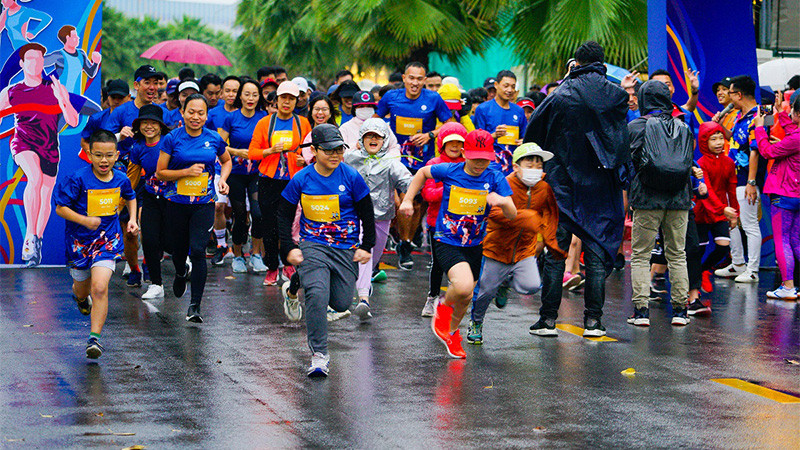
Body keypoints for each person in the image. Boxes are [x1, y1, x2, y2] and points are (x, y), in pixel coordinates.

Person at [524, 41, 629, 336]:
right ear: (602, 64)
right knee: (595, 251)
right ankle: (593, 321)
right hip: (601, 184)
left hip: (563, 184)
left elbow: (534, 129)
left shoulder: (563, 93)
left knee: (557, 252)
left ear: (577, 62)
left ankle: (547, 320)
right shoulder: (617, 96)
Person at [400, 129, 516, 359]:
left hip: (474, 244)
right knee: (462, 287)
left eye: (485, 159)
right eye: (475, 158)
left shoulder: (494, 177)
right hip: (446, 239)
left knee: (465, 296)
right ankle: (442, 306)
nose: (480, 164)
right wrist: (407, 199)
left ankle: (452, 333)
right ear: (464, 153)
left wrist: (502, 201)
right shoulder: (450, 170)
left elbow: (512, 214)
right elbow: (422, 173)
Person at [278, 124, 375, 377]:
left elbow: (366, 212)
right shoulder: (301, 178)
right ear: (314, 150)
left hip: (345, 248)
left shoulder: (351, 176)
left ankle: (297, 281)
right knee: (317, 295)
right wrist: (288, 247)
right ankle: (319, 355)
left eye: (339, 150)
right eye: (329, 150)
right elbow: (283, 215)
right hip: (313, 245)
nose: (335, 155)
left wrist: (367, 246)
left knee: (342, 302)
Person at [468, 143, 565, 342]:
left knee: (532, 286)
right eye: (530, 164)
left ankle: (505, 282)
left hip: (524, 250)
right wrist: (525, 217)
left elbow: (550, 213)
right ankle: (476, 322)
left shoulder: (544, 188)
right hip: (497, 248)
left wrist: (548, 241)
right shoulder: (504, 183)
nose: (535, 169)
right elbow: (492, 213)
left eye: (539, 165)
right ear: (516, 166)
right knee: (485, 292)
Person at [54, 129, 138, 358]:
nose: (104, 160)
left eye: (109, 155)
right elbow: (60, 208)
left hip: (107, 241)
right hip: (79, 243)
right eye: (98, 155)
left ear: (117, 155)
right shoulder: (77, 179)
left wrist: (132, 219)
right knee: (82, 288)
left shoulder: (121, 178)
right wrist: (84, 220)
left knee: (100, 287)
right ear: (89, 154)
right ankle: (81, 298)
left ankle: (95, 339)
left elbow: (130, 196)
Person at [0, 42, 79, 267]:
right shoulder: (12, 91)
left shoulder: (53, 88)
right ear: (23, 63)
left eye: (39, 59)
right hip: (23, 143)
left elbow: (73, 120)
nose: (36, 63)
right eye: (31, 59)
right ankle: (29, 237)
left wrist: (63, 98)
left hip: (50, 146)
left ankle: (37, 238)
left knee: (45, 195)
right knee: (33, 178)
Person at [156, 94, 232, 323]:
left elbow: (226, 161)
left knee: (198, 251)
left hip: (203, 203)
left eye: (201, 113)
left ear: (207, 115)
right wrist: (185, 172)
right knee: (177, 251)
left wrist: (223, 179)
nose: (196, 117)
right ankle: (180, 271)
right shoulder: (172, 138)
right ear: (182, 113)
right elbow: (160, 172)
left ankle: (195, 306)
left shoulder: (213, 138)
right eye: (191, 112)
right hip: (176, 204)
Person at [626, 80, 694, 327]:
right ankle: (680, 311)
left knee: (641, 255)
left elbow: (629, 164)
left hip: (646, 200)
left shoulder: (635, 126)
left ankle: (641, 312)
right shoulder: (683, 126)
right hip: (679, 199)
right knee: (678, 254)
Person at [376, 62, 452, 270]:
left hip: (422, 161)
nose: (415, 83)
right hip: (395, 159)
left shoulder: (434, 99)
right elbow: (375, 121)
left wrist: (429, 135)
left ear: (425, 80)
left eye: (420, 79)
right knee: (401, 203)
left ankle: (406, 243)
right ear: (404, 78)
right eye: (412, 78)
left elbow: (449, 124)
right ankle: (403, 242)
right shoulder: (391, 98)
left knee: (418, 204)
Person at [344, 118, 412, 320]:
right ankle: (363, 298)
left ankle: (365, 284)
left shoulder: (391, 163)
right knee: (364, 252)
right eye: (368, 135)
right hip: (355, 217)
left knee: (372, 258)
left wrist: (408, 199)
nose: (373, 139)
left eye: (377, 136)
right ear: (361, 139)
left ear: (384, 140)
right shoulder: (349, 158)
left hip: (382, 218)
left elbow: (409, 182)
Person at [248, 81, 312, 285]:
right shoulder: (265, 123)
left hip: (293, 180)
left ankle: (289, 264)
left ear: (296, 101)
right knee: (269, 224)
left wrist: (304, 158)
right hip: (269, 180)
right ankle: (272, 268)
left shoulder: (302, 122)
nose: (287, 102)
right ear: (277, 100)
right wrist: (270, 150)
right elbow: (252, 152)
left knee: (291, 223)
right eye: (283, 98)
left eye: (291, 99)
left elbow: (308, 149)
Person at [715, 75, 764, 283]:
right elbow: (734, 139)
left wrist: (751, 183)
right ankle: (737, 264)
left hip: (746, 180)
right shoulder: (739, 116)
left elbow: (755, 151)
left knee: (750, 224)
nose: (728, 97)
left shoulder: (758, 116)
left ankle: (752, 269)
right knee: (731, 220)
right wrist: (719, 127)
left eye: (731, 93)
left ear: (739, 94)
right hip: (732, 178)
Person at [217, 78, 268, 273]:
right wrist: (238, 152)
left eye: (255, 95)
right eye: (247, 94)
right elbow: (220, 146)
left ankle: (256, 254)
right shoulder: (231, 118)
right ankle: (237, 255)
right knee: (240, 215)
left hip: (257, 172)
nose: (251, 98)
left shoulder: (264, 118)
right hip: (235, 173)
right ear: (240, 96)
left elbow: (267, 144)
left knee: (258, 213)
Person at [754, 97, 800, 299]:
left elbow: (766, 151)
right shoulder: (795, 136)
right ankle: (789, 286)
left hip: (784, 193)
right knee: (796, 241)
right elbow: (793, 134)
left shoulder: (795, 138)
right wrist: (780, 113)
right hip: (796, 195)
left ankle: (788, 287)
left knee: (782, 241)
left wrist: (759, 129)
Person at [421, 122, 467, 316]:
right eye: (451, 142)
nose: (455, 146)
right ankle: (432, 298)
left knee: (460, 263)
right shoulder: (434, 165)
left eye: (459, 142)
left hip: (463, 224)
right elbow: (428, 194)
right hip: (438, 223)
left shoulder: (469, 164)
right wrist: (450, 187)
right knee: (438, 264)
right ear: (442, 143)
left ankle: (452, 298)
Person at [127, 104, 170, 299]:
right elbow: (131, 180)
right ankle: (156, 284)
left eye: (154, 123)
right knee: (150, 239)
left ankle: (183, 265)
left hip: (173, 197)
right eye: (145, 123)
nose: (149, 126)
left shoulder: (171, 142)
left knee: (171, 240)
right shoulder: (137, 147)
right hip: (150, 196)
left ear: (161, 126)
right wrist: (119, 202)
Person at [693, 122, 739, 298]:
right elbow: (708, 190)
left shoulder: (728, 162)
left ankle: (705, 270)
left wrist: (735, 213)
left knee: (723, 247)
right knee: (699, 250)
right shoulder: (701, 163)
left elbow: (732, 189)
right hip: (702, 211)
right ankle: (695, 285)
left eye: (721, 138)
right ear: (705, 141)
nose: (719, 142)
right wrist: (723, 208)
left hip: (721, 212)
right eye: (713, 139)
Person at [473, 70, 528, 175]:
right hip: (489, 166)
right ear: (496, 85)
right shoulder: (483, 109)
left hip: (513, 167)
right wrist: (494, 135)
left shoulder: (519, 111)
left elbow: (524, 137)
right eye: (506, 86)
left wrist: (523, 142)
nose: (510, 90)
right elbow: (477, 142)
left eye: (513, 86)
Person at [43, 25, 101, 94]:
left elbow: (91, 73)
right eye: (75, 36)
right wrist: (44, 81)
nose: (78, 38)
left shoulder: (81, 54)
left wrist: (96, 63)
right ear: (67, 38)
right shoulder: (59, 55)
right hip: (60, 97)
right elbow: (38, 63)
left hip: (76, 96)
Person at [339, 90, 400, 155]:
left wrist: (386, 160)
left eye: (369, 106)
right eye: (361, 106)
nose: (365, 109)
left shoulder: (383, 126)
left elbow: (394, 148)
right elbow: (341, 152)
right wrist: (355, 146)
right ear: (354, 109)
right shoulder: (345, 128)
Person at [80, 79, 130, 157]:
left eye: (120, 97)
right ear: (108, 96)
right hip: (104, 164)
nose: (116, 101)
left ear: (129, 97)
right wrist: (96, 157)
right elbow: (84, 142)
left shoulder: (135, 116)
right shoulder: (96, 118)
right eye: (113, 97)